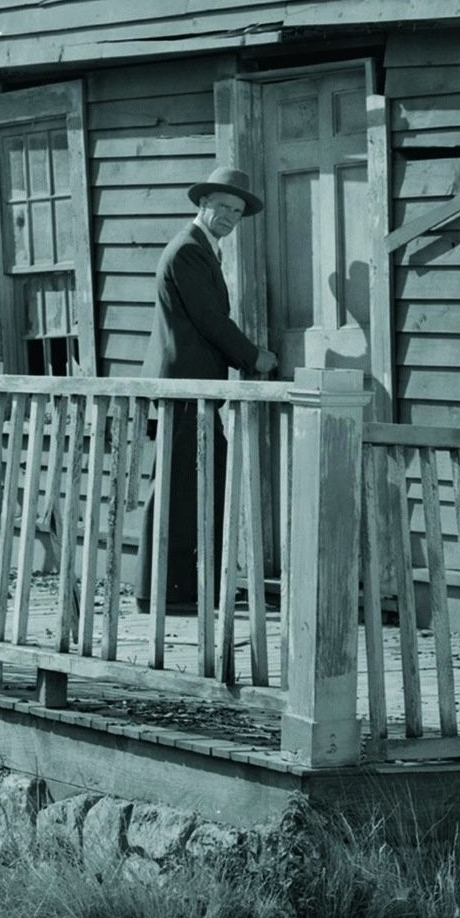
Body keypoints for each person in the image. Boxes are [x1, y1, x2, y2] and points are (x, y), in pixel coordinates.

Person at [136, 167, 277, 615]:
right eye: (223, 207)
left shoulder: (203, 250)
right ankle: (162, 590)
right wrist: (253, 356)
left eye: (237, 211)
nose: (230, 217)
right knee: (180, 486)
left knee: (198, 483)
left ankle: (188, 587)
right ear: (203, 205)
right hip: (184, 387)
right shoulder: (189, 251)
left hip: (194, 386)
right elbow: (209, 319)